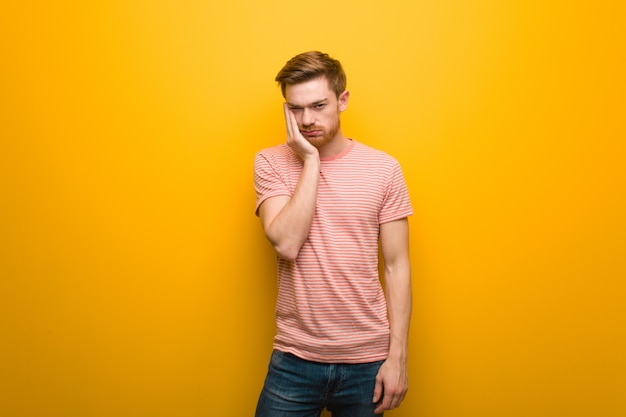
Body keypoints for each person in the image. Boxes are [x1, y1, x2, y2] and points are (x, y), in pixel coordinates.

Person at [253, 51, 413, 417]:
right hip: (294, 359)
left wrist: (398, 357)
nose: (307, 119)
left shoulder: (384, 169)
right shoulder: (271, 162)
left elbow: (397, 266)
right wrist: (310, 160)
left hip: (367, 361)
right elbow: (287, 242)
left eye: (318, 105)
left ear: (342, 100)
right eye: (295, 109)